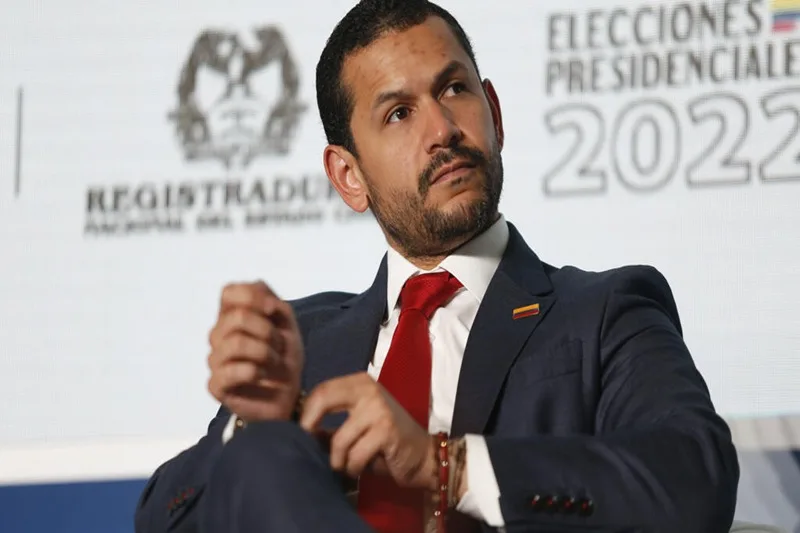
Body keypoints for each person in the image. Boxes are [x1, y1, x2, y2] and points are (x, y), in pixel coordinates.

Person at [134, 1, 740, 532]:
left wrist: (443, 465)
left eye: (453, 90)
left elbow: (694, 477)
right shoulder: (303, 343)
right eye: (399, 113)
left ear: (494, 112)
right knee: (258, 454)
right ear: (348, 176)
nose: (443, 130)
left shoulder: (603, 311)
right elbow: (161, 519)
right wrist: (254, 423)